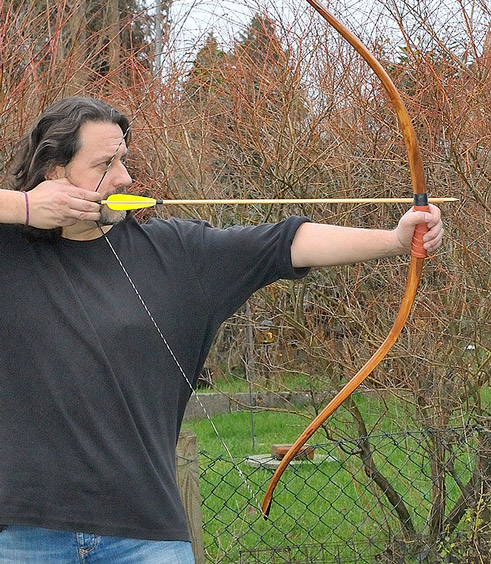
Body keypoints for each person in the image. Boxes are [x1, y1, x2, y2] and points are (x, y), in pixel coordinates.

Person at [0, 97, 443, 563]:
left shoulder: (176, 254)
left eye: (123, 159)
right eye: (105, 164)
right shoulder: (10, 250)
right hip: (23, 535)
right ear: (55, 172)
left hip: (145, 536)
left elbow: (286, 243)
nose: (125, 177)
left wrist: (395, 239)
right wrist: (23, 207)